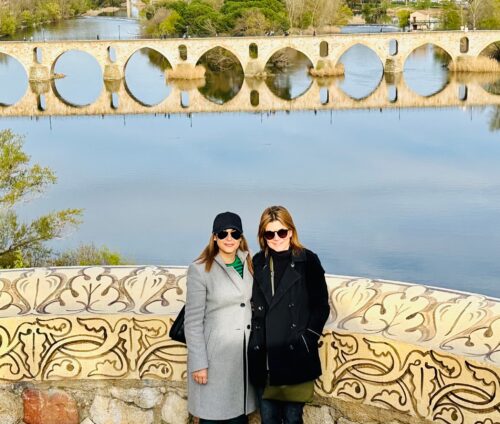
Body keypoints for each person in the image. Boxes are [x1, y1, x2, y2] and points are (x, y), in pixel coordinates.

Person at [248, 206, 330, 424]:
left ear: (291, 231)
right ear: (263, 236)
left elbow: (321, 306)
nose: (276, 238)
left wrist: (307, 339)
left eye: (281, 232)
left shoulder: (308, 261)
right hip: (264, 357)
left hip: (295, 354)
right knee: (268, 418)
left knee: (293, 418)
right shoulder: (257, 262)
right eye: (269, 233)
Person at [185, 212, 257, 423]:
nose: (229, 238)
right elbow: (192, 322)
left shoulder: (250, 265)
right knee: (213, 416)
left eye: (234, 233)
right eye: (223, 233)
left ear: (241, 237)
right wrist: (199, 363)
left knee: (238, 417)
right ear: (214, 237)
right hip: (214, 360)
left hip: (242, 358)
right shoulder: (199, 270)